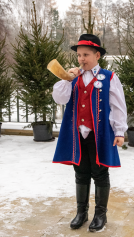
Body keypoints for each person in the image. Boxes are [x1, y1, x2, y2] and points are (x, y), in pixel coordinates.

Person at [52, 34, 128, 232]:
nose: (81, 59)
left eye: (85, 54)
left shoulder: (109, 77)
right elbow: (59, 98)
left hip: (99, 134)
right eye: (78, 55)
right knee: (80, 173)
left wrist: (119, 131)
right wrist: (67, 79)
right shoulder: (72, 78)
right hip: (77, 134)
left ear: (97, 56)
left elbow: (118, 106)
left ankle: (100, 214)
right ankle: (81, 212)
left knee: (100, 174)